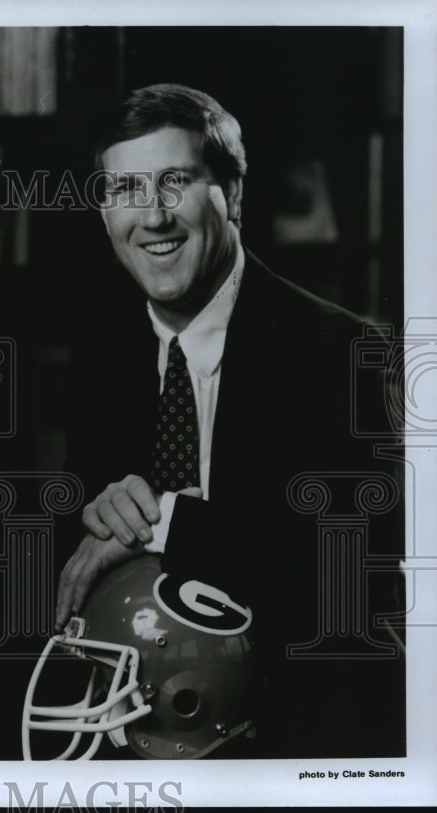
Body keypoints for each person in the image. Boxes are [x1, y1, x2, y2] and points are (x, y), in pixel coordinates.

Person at [54, 84, 404, 758]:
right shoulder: (104, 350)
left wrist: (164, 519)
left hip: (304, 723)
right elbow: (89, 544)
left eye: (175, 182)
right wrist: (106, 510)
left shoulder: (344, 351)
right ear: (104, 213)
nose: (152, 216)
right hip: (147, 700)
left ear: (233, 195)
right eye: (126, 189)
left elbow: (355, 563)